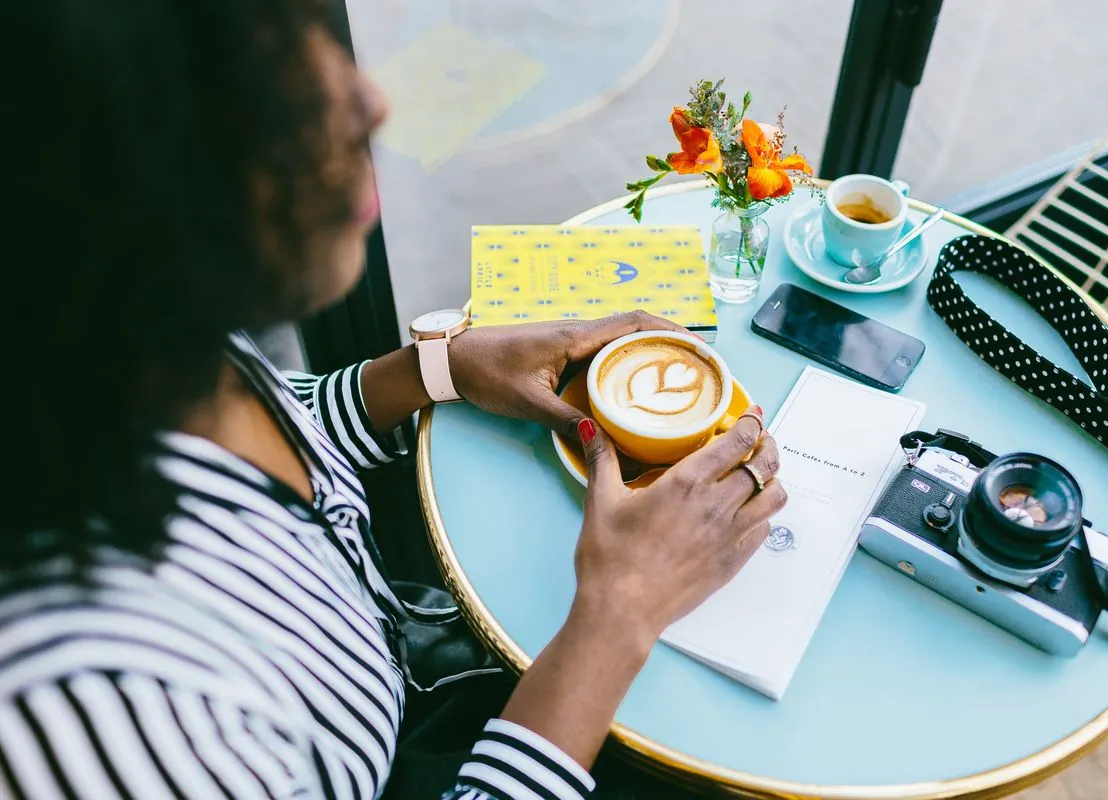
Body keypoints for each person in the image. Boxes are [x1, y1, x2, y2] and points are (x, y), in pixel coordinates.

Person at [2, 1, 785, 798]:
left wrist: (434, 371)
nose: (369, 102)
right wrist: (618, 615)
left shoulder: (130, 352)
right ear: (89, 186)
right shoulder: (95, 712)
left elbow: (259, 449)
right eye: (267, 90)